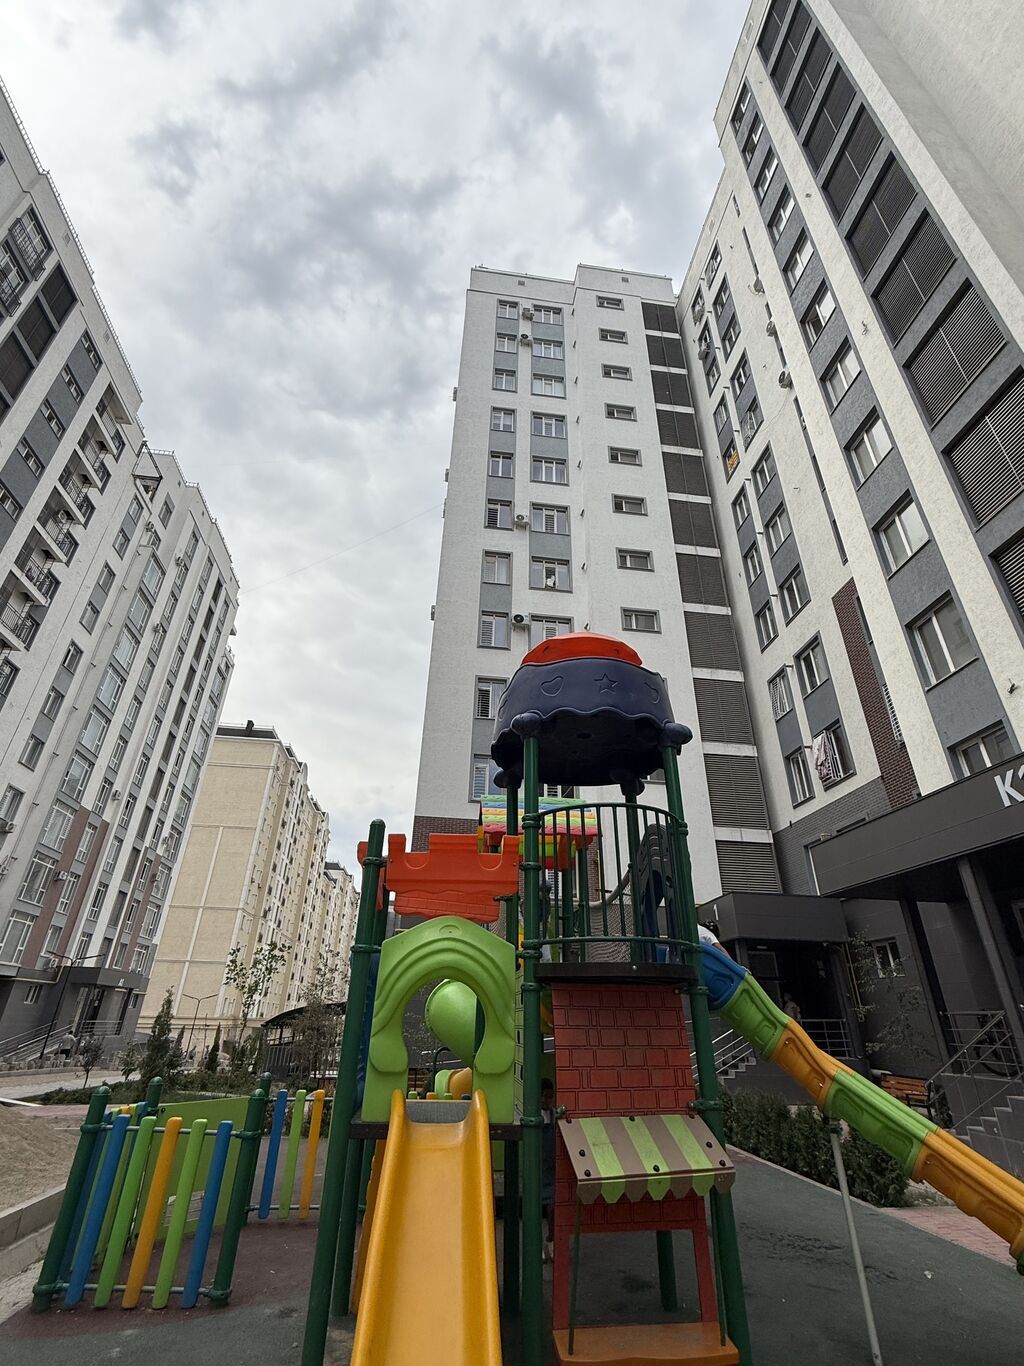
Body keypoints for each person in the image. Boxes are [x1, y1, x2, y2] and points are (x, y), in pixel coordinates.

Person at [541, 1076, 556, 1264]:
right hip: (539, 1167)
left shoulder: (553, 1115)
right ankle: (541, 1246)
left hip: (551, 1168)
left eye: (549, 1097)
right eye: (544, 1096)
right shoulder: (535, 1115)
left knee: (553, 1208)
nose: (546, 1100)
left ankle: (551, 1241)